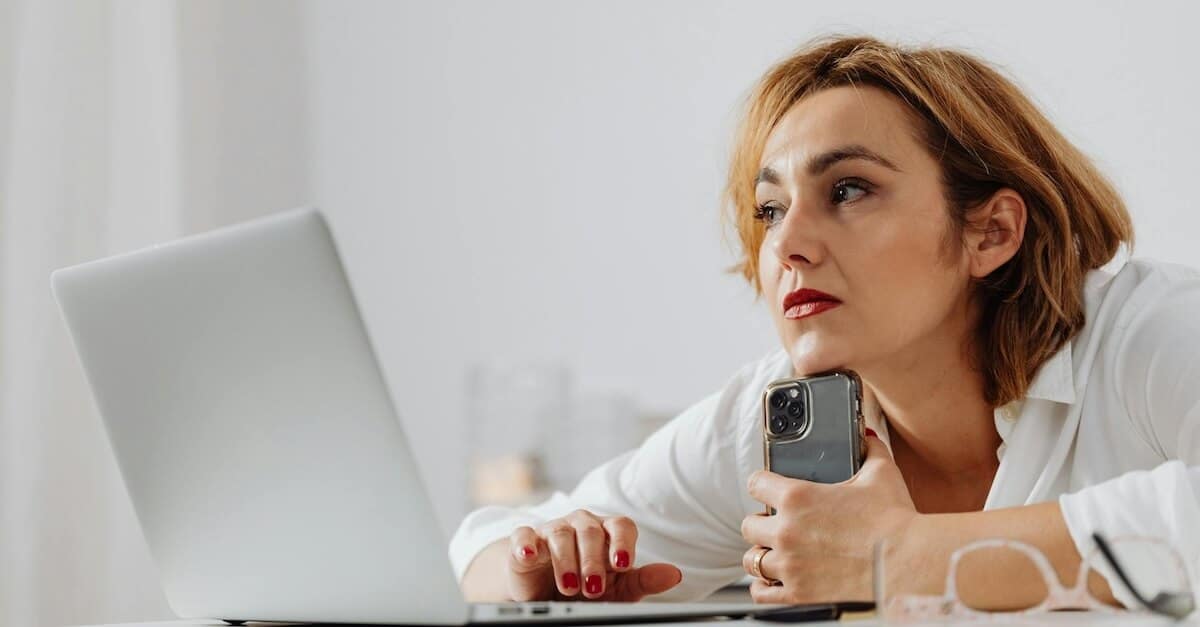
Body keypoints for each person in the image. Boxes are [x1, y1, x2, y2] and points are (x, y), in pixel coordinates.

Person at [450, 34, 1200, 609]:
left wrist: (908, 556)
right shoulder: (777, 421)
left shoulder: (1148, 336)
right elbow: (474, 550)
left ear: (991, 233)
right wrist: (536, 573)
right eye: (770, 209)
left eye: (848, 190)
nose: (786, 244)